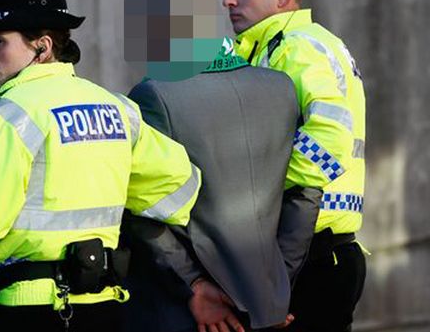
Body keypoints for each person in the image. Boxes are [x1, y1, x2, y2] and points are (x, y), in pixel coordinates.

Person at [0, 0, 200, 332]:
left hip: (28, 312)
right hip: (107, 311)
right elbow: (180, 189)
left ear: (42, 46)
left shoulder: (12, 116)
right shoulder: (116, 107)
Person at [216, 0, 367, 332]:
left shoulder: (296, 46)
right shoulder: (270, 48)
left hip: (310, 255)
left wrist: (262, 194)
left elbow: (330, 135)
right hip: (312, 253)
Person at [121, 37, 321, 332]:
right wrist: (273, 288)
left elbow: (144, 203)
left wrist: (193, 283)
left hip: (189, 309)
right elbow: (306, 189)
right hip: (264, 304)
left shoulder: (154, 94)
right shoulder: (281, 86)